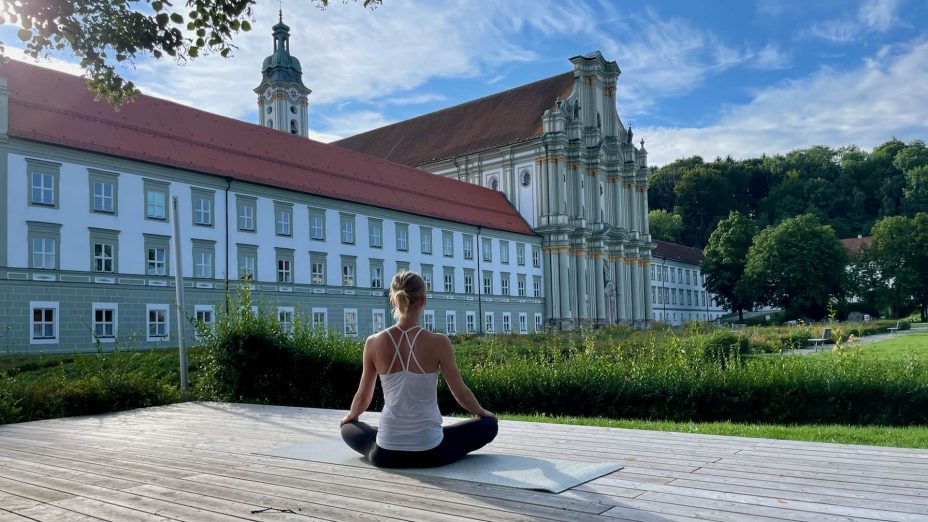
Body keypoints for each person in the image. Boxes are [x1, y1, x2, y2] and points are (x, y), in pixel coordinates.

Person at [340, 270, 498, 468]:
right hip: (431, 452)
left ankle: (382, 432)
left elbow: (363, 396)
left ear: (393, 300)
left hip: (385, 454)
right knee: (489, 426)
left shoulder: (373, 342)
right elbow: (460, 392)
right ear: (423, 300)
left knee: (347, 427)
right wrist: (483, 412)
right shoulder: (439, 342)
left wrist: (350, 417)